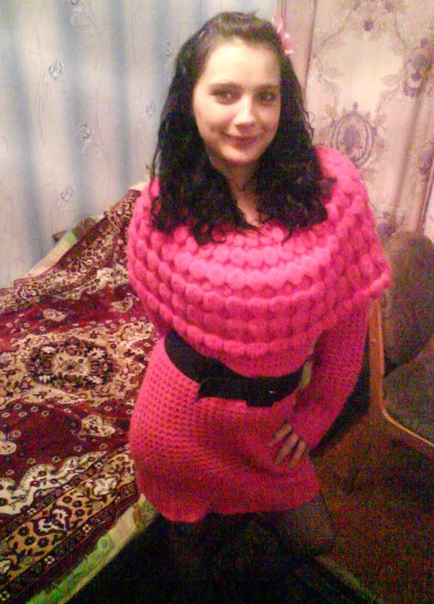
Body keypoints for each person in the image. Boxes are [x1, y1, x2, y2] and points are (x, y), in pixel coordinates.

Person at [126, 11, 390, 600]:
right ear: (190, 100)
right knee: (190, 553)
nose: (247, 116)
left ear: (283, 102)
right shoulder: (161, 207)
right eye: (225, 93)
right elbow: (162, 322)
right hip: (178, 424)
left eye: (265, 96)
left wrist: (317, 415)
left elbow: (348, 325)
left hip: (272, 427)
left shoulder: (334, 191)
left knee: (312, 540)